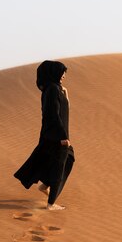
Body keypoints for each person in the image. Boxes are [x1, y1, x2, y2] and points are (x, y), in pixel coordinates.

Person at [13, 60, 75, 211]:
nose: (63, 76)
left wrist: (66, 95)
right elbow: (53, 115)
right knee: (59, 166)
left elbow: (64, 111)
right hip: (56, 134)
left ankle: (45, 185)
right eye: (61, 73)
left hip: (54, 133)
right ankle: (51, 204)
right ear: (53, 73)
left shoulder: (56, 89)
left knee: (68, 157)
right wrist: (61, 136)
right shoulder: (52, 89)